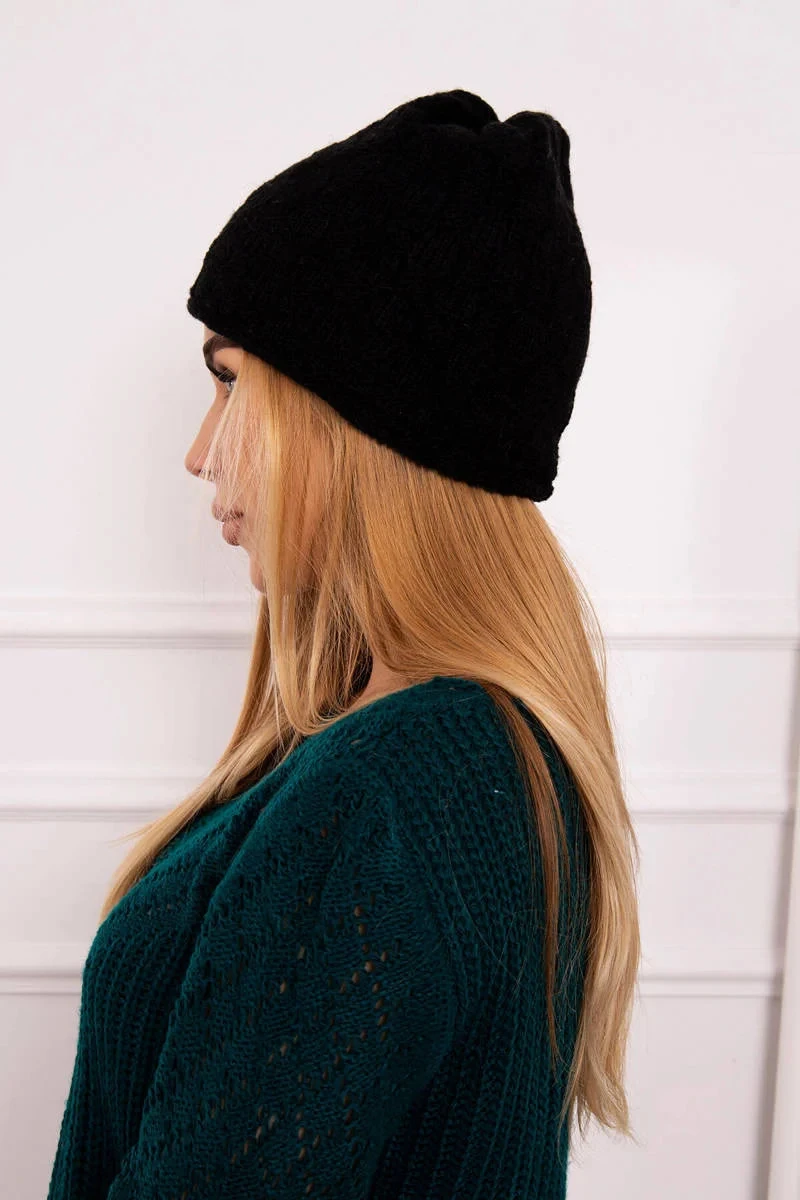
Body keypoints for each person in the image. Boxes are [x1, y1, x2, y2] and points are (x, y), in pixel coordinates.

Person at [47, 88, 641, 1200]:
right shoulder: (478, 750)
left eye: (232, 384)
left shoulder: (385, 790)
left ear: (355, 423)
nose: (199, 452)